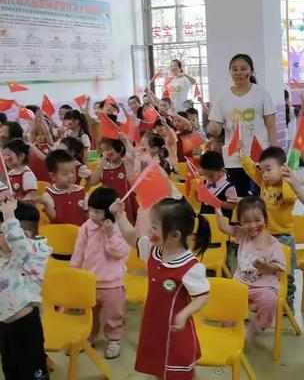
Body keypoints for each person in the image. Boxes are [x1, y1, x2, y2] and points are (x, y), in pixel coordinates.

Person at [111, 197, 210, 380]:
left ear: (175, 235)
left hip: (176, 330)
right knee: (158, 367)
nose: (149, 231)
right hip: (154, 323)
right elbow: (132, 238)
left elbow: (203, 296)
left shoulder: (190, 267)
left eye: (154, 227)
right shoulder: (154, 250)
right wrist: (119, 214)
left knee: (178, 370)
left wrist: (184, 314)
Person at [70, 187, 129, 360]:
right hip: (89, 282)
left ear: (110, 213)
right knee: (89, 314)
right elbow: (78, 252)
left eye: (97, 211)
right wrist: (75, 273)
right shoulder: (86, 228)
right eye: (90, 210)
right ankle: (89, 336)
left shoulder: (120, 229)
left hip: (112, 284)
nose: (92, 215)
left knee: (114, 315)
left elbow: (119, 253)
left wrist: (110, 234)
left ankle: (114, 339)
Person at [215, 197, 285, 342]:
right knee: (226, 296)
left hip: (264, 287)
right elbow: (223, 227)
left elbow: (279, 267)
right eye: (246, 221)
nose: (252, 225)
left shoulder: (272, 243)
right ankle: (229, 325)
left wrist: (265, 266)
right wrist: (215, 205)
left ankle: (257, 325)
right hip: (240, 284)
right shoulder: (242, 234)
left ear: (265, 219)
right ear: (240, 222)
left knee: (270, 300)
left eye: (257, 220)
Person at [208, 54, 277, 196]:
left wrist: (274, 154)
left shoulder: (262, 93)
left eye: (243, 68)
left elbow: (271, 126)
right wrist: (213, 128)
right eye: (234, 69)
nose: (238, 72)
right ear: (230, 72)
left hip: (259, 156)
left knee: (263, 197)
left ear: (251, 71)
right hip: (234, 157)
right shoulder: (222, 96)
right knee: (239, 199)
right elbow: (215, 129)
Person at [0, 194, 52, 380]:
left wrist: (8, 216)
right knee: (11, 369)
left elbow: (19, 245)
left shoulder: (34, 251)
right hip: (4, 325)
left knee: (32, 372)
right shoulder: (5, 255)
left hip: (25, 325)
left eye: (1, 232)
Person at [240, 145, 297, 306]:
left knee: (287, 273)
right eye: (263, 170)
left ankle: (288, 302)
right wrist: (242, 153)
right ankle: (266, 298)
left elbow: (289, 197)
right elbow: (252, 170)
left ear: (283, 168)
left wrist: (286, 177)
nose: (264, 174)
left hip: (284, 237)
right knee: (263, 270)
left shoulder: (288, 187)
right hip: (265, 237)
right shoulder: (264, 184)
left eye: (268, 170)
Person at [89, 138, 137, 226]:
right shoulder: (104, 168)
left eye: (108, 149)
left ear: (119, 148)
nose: (106, 153)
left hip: (126, 206)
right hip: (108, 207)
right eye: (103, 151)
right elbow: (92, 182)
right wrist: (100, 166)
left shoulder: (126, 163)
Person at [39, 150, 88, 226]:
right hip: (61, 234)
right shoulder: (49, 194)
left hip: (82, 233)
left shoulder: (82, 191)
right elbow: (54, 218)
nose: (70, 176)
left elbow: (88, 215)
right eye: (65, 174)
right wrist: (46, 204)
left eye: (73, 172)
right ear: (53, 176)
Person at [197, 150, 238, 220]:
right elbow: (200, 200)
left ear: (221, 171)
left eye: (211, 176)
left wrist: (217, 203)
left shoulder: (228, 186)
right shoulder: (205, 182)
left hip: (221, 223)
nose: (209, 178)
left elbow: (233, 206)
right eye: (207, 176)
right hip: (205, 220)